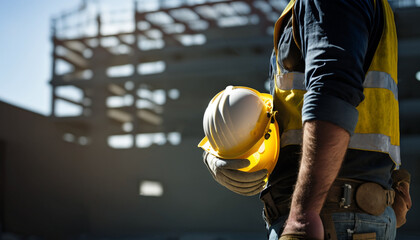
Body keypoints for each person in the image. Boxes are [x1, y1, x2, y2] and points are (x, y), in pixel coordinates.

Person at [202, 0, 411, 239]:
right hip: (345, 214)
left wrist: (303, 216)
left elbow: (332, 94)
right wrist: (225, 150)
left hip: (329, 218)